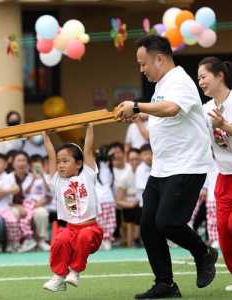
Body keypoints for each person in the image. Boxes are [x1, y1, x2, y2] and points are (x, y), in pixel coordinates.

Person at [117, 35, 216, 299]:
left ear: (159, 58)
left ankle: (203, 252)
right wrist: (138, 115)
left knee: (168, 222)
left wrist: (137, 105)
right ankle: (165, 284)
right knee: (148, 226)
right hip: (162, 169)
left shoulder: (180, 80)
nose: (141, 69)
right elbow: (155, 132)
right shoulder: (161, 85)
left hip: (187, 166)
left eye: (143, 63)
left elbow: (171, 109)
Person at [42, 125, 103, 292]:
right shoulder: (57, 181)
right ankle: (59, 277)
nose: (60, 165)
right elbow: (51, 156)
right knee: (60, 240)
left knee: (84, 236)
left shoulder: (88, 174)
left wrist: (90, 126)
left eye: (66, 161)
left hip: (91, 230)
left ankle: (75, 271)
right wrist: (45, 136)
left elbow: (88, 148)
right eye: (59, 162)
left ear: (79, 163)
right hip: (70, 229)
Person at [198, 56, 232, 292]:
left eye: (203, 77)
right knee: (223, 233)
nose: (200, 82)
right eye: (198, 78)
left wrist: (227, 127)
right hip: (223, 177)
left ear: (220, 75)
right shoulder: (205, 109)